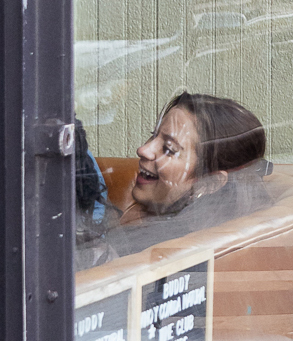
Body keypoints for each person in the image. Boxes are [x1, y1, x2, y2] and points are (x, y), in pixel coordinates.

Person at [99, 93, 274, 257]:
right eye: (153, 136)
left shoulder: (160, 249)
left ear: (209, 183)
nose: (143, 150)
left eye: (169, 149)